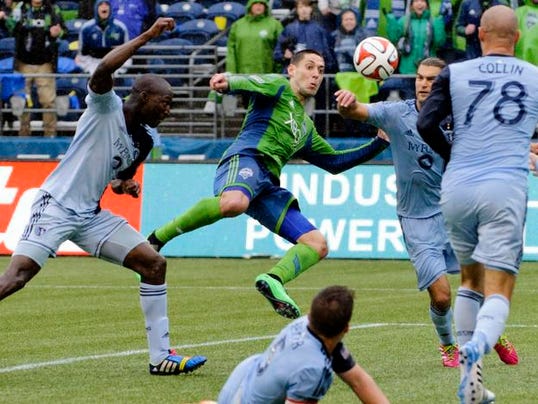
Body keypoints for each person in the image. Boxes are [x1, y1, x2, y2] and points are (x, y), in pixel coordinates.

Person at [0, 17, 207, 376]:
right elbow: (105, 68)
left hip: (90, 216)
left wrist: (125, 186)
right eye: (165, 102)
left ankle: (161, 358)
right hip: (56, 206)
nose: (168, 109)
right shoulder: (105, 107)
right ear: (143, 96)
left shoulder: (144, 140)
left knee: (154, 264)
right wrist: (148, 35)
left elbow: (118, 178)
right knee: (16, 277)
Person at [147, 49, 390, 320]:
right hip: (246, 160)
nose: (315, 75)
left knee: (317, 244)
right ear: (292, 70)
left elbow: (334, 163)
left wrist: (379, 144)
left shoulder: (306, 128)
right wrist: (227, 82)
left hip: (267, 186)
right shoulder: (278, 87)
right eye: (309, 67)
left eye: (320, 70)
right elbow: (251, 83)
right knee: (234, 202)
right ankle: (157, 239)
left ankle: (273, 279)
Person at [335, 56, 519, 369]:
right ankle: (448, 345)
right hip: (416, 219)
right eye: (420, 78)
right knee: (443, 297)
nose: (423, 84)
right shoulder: (396, 114)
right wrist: (346, 104)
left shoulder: (462, 118)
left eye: (431, 79)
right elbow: (358, 112)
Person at [416, 5, 538, 403]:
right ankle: (479, 345)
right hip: (504, 187)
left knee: (469, 281)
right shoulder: (534, 76)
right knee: (499, 287)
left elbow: (425, 124)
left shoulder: (454, 72)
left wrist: (454, 156)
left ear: (480, 36)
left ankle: (474, 384)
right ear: (517, 38)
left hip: (457, 187)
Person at [216, 285, 390, 404]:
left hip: (243, 381)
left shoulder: (307, 325)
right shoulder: (312, 369)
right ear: (346, 328)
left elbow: (359, 380)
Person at [8, 0, 66, 137]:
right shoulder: (20, 9)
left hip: (45, 64)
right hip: (23, 64)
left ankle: (50, 136)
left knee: (48, 102)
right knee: (22, 102)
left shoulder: (53, 10)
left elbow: (64, 31)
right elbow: (10, 28)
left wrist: (57, 33)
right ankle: (23, 136)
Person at [76, 0, 130, 75]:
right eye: (101, 4)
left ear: (110, 8)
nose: (104, 6)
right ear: (96, 8)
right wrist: (89, 69)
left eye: (106, 4)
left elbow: (127, 52)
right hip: (93, 63)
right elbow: (82, 54)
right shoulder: (86, 28)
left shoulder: (120, 28)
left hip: (114, 63)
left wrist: (119, 70)